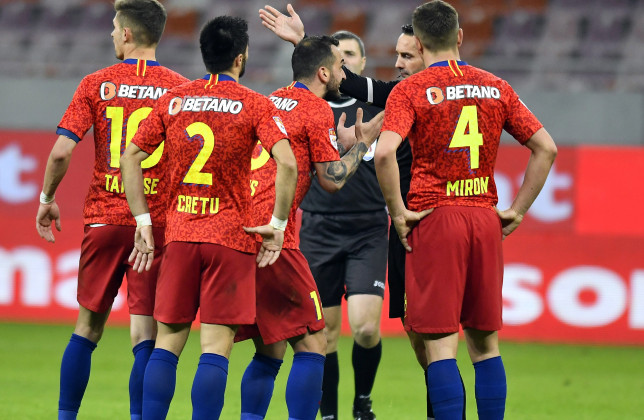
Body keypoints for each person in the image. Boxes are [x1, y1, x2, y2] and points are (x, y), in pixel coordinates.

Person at [374, 1, 557, 419]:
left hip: (435, 218)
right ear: (459, 36)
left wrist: (399, 212)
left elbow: (385, 154)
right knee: (485, 345)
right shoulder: (496, 86)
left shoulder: (411, 90)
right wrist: (518, 209)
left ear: (419, 44)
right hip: (484, 217)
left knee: (440, 346)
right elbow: (546, 148)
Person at [119, 15, 298, 420]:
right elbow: (287, 163)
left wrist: (143, 222)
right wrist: (278, 225)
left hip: (179, 235)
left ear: (204, 54)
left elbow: (131, 155)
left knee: (167, 343)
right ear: (241, 57)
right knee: (215, 348)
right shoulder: (255, 103)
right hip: (230, 237)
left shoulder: (174, 100)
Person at [34, 1, 188, 419]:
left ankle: (67, 416)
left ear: (126, 35)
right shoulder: (180, 90)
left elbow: (63, 151)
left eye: (113, 28)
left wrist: (47, 199)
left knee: (86, 328)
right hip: (153, 226)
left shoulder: (96, 83)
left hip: (104, 218)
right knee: (146, 333)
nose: (110, 35)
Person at [237, 35, 384, 420]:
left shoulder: (269, 99)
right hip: (275, 236)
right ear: (323, 72)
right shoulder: (316, 109)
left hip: (240, 230)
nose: (344, 74)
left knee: (269, 349)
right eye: (339, 66)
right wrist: (359, 145)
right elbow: (331, 179)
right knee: (314, 343)